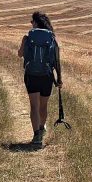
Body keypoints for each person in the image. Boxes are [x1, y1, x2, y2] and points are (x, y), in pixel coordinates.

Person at [18, 11, 62, 146]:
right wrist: (59, 79)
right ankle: (42, 128)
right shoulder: (52, 39)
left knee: (34, 106)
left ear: (36, 23)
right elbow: (56, 60)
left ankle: (37, 136)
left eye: (32, 22)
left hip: (31, 75)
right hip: (47, 76)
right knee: (43, 106)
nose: (31, 24)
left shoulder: (27, 38)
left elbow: (20, 54)